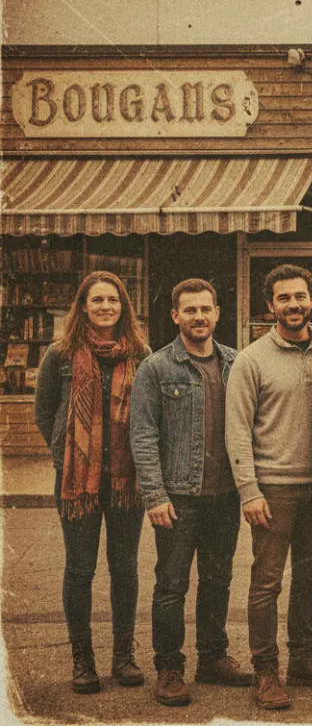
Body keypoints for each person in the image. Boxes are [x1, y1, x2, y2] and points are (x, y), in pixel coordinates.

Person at [225, 264, 312, 710]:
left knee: (310, 578)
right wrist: (249, 490)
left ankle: (303, 659)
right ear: (270, 305)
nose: (293, 304)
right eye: (284, 298)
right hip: (273, 489)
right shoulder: (251, 359)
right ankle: (265, 672)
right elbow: (237, 429)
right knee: (267, 583)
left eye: (300, 296)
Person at [130, 279, 253, 706]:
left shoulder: (236, 363)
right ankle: (169, 668)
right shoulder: (156, 368)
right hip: (179, 496)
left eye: (205, 309)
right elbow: (143, 435)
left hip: (225, 495)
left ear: (217, 313)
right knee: (171, 584)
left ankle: (213, 658)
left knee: (218, 579)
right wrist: (155, 495)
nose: (198, 317)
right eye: (190, 310)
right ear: (175, 316)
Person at [34, 270, 150, 695]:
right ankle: (82, 660)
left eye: (113, 300)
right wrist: (66, 454)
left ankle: (123, 656)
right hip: (77, 481)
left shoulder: (141, 354)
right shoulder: (60, 355)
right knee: (80, 569)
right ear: (82, 307)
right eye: (97, 300)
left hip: (126, 480)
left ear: (124, 307)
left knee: (125, 568)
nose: (105, 307)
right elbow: (44, 412)